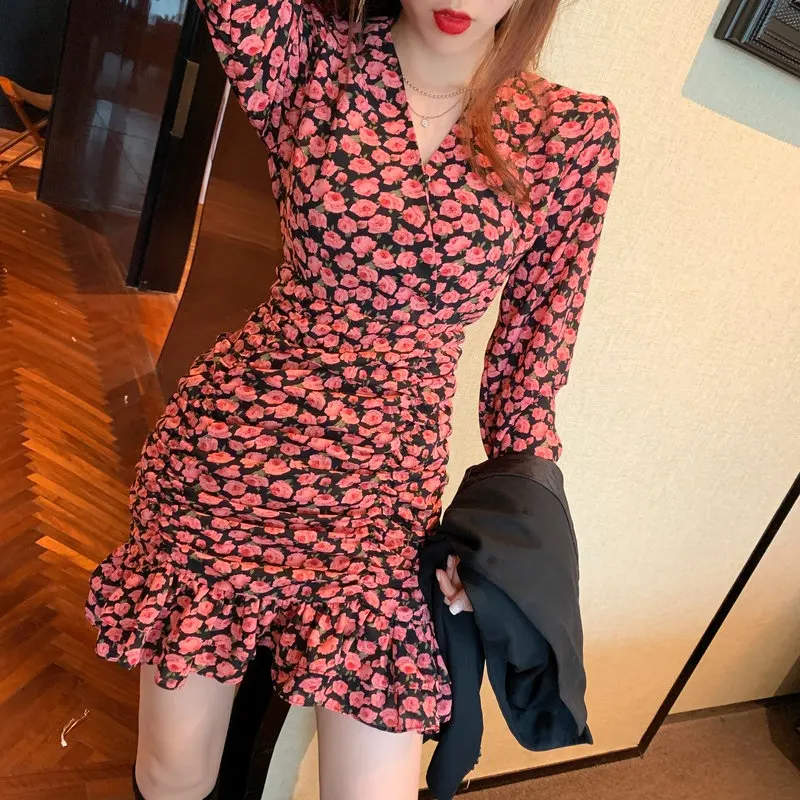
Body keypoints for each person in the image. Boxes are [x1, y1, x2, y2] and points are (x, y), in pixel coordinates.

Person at [84, 1, 620, 798]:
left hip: (386, 501)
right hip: (232, 460)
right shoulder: (307, 56)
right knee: (173, 770)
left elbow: (531, 360)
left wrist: (509, 540)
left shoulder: (570, 134)